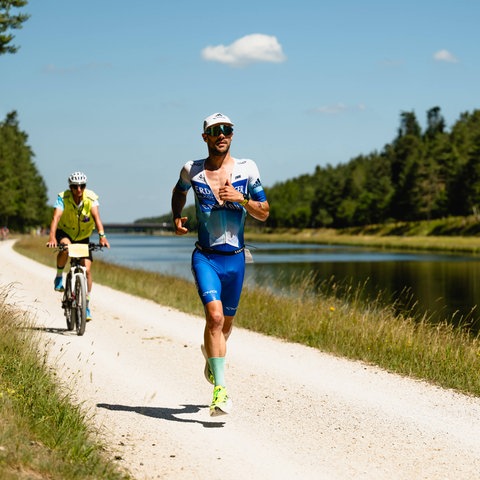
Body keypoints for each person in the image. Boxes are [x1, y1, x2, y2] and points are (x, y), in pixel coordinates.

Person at [171, 113, 269, 416]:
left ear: (232, 135)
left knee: (225, 327)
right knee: (213, 318)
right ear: (205, 137)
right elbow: (179, 191)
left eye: (226, 130)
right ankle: (221, 391)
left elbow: (264, 212)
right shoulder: (193, 169)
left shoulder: (247, 169)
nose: (221, 135)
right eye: (215, 131)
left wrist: (241, 199)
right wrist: (176, 218)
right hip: (206, 257)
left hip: (236, 260)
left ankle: (211, 358)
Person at [46, 171, 110, 321]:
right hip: (65, 233)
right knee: (66, 248)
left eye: (82, 186)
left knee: (86, 270)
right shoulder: (63, 198)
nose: (79, 190)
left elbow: (97, 218)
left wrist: (102, 236)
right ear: (70, 187)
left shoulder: (91, 198)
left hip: (83, 237)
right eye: (75, 186)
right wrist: (52, 237)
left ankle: (85, 304)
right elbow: (56, 217)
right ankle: (59, 277)